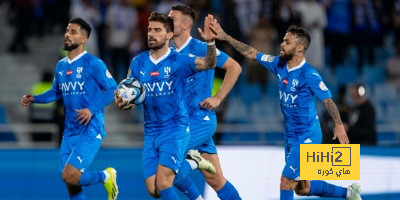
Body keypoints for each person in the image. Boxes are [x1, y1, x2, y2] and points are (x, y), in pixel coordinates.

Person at [209, 21, 362, 200]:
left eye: (287, 42)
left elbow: (328, 101)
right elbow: (252, 53)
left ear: (299, 49)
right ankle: (350, 193)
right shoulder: (278, 64)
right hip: (290, 136)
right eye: (283, 40)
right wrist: (225, 36)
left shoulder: (309, 74)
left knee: (285, 182)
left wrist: (338, 125)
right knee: (302, 188)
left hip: (308, 137)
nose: (282, 44)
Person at [115, 12, 217, 199]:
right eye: (149, 30)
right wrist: (123, 101)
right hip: (151, 131)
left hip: (175, 129)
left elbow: (210, 63)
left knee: (163, 183)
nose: (151, 34)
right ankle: (194, 162)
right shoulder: (138, 62)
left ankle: (191, 162)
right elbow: (130, 90)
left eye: (157, 30)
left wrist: (210, 43)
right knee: (154, 190)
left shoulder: (179, 60)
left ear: (169, 35)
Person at [21, 17, 119, 200]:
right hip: (70, 130)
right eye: (67, 31)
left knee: (70, 175)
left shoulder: (94, 63)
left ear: (83, 39)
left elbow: (113, 88)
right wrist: (35, 98)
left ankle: (106, 176)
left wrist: (91, 109)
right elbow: (55, 92)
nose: (67, 34)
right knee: (70, 183)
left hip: (91, 128)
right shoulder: (61, 66)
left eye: (73, 32)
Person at [168, 5, 242, 200]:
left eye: (172, 20)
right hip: (181, 123)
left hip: (200, 120)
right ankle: (197, 160)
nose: (167, 22)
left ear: (185, 25)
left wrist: (218, 98)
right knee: (217, 181)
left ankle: (194, 160)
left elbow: (235, 67)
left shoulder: (202, 48)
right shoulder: (167, 53)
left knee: (167, 170)